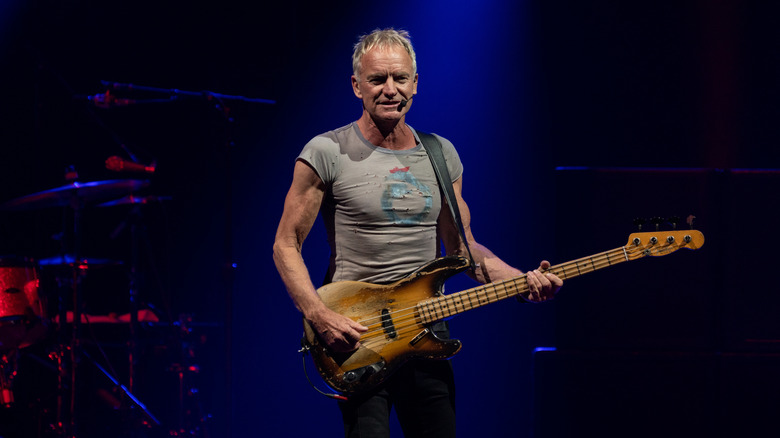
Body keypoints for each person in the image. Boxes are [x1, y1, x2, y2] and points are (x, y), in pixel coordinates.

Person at [273, 28, 563, 438]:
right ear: (357, 86)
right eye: (378, 79)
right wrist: (319, 316)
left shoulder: (441, 153)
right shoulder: (325, 150)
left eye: (400, 78)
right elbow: (285, 245)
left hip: (427, 330)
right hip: (358, 334)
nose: (390, 90)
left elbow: (463, 249)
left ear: (415, 84)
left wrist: (521, 281)